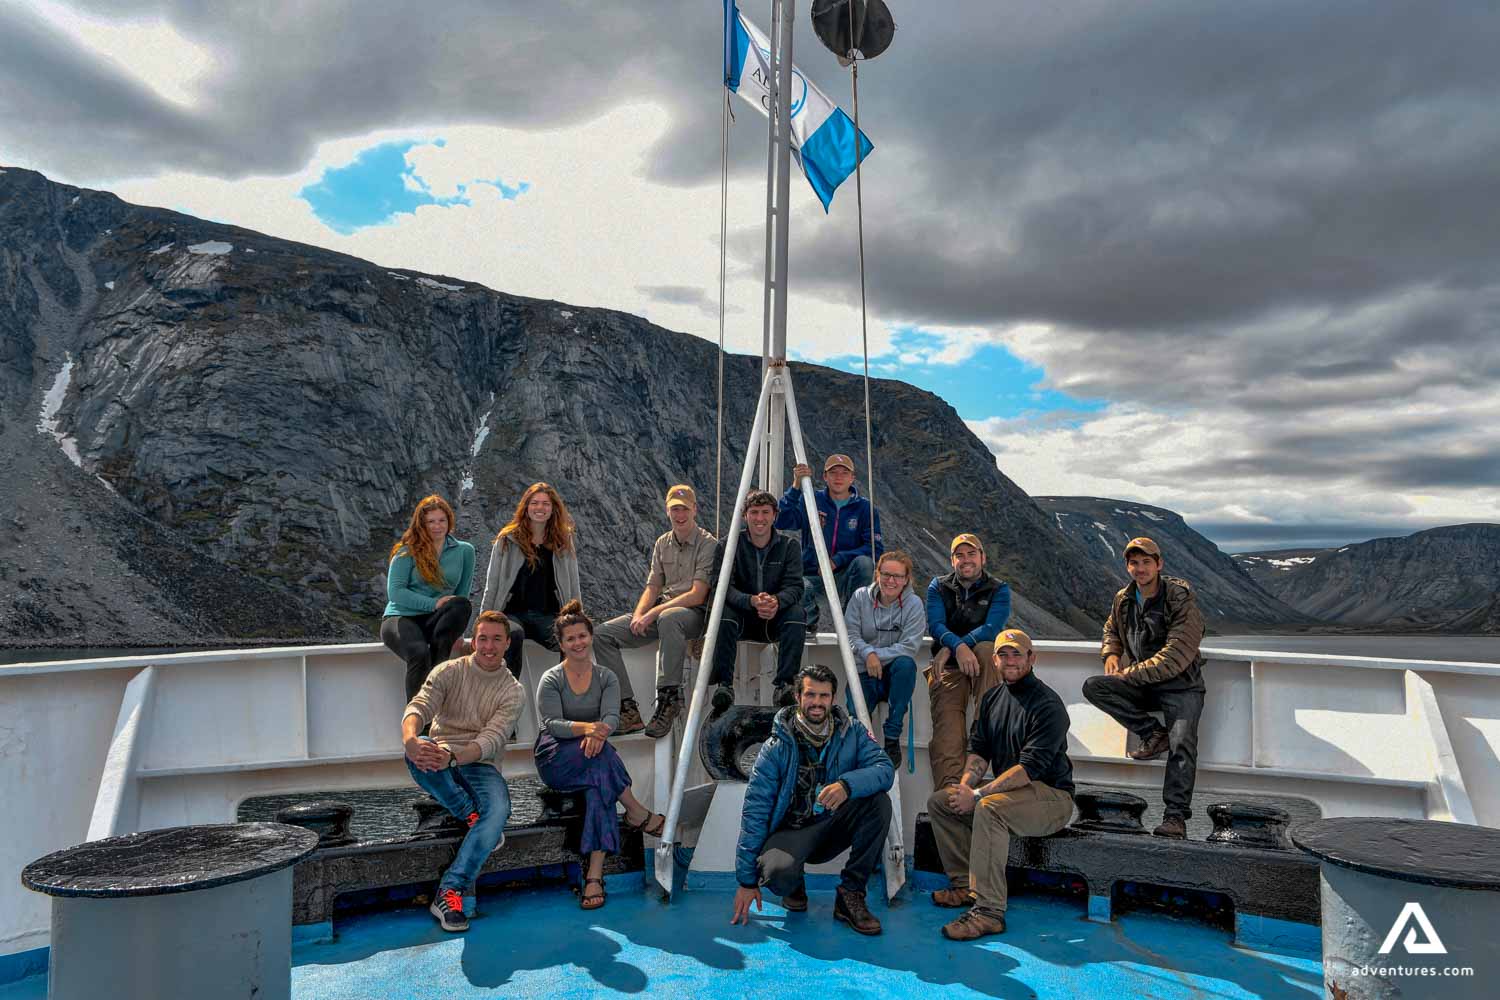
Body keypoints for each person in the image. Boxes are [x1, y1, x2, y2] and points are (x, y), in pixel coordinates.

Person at [926, 629, 1075, 941]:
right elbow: (979, 752)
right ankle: (964, 885)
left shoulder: (1048, 705)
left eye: (1017, 654)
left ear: (1031, 658)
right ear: (994, 660)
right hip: (1013, 793)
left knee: (989, 808)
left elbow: (1028, 770)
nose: (1010, 661)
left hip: (1051, 797)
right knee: (941, 802)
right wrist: (965, 787)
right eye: (1003, 655)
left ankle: (989, 911)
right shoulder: (992, 698)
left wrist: (978, 794)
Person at [730, 664, 895, 936]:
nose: (817, 703)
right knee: (776, 873)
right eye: (810, 695)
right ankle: (794, 883)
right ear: (798, 697)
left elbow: (885, 769)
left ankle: (851, 894)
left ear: (832, 698)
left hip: (832, 825)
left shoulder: (852, 732)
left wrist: (847, 785)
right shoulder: (775, 748)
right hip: (792, 833)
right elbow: (755, 812)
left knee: (879, 803)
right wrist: (746, 882)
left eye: (824, 695)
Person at [534, 600, 666, 909]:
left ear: (591, 637)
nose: (577, 643)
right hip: (555, 756)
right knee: (602, 757)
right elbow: (553, 724)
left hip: (593, 751)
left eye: (582, 636)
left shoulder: (606, 677)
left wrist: (600, 731)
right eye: (570, 639)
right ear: (562, 644)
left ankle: (594, 875)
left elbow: (612, 718)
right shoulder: (551, 679)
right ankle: (636, 811)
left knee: (599, 784)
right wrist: (591, 729)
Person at [400, 610, 524, 932]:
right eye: (483, 638)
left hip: (479, 763)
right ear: (473, 642)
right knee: (419, 749)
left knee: (499, 810)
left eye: (497, 639)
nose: (489, 646)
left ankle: (449, 891)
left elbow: (491, 740)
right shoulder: (449, 671)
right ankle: (469, 813)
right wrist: (410, 738)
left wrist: (453, 758)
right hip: (441, 753)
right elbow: (419, 706)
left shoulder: (512, 691)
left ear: (507, 644)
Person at [1082, 536, 1206, 840]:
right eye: (1134, 563)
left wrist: (1130, 674)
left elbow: (1176, 656)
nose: (1140, 568)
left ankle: (1175, 817)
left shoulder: (1179, 598)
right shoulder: (1123, 598)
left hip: (1181, 685)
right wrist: (1111, 653)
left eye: (1146, 562)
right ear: (1127, 566)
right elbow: (1112, 628)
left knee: (1182, 742)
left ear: (1159, 564)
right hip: (1144, 685)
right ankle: (1152, 732)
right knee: (1095, 687)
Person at [592, 485, 716, 739]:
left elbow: (697, 594)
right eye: (674, 509)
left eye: (684, 509)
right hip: (663, 613)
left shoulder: (708, 544)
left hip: (694, 615)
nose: (679, 515)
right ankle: (627, 710)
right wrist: (639, 614)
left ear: (694, 510)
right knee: (602, 634)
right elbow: (653, 587)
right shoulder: (662, 543)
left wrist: (653, 613)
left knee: (669, 618)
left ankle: (669, 699)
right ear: (667, 511)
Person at [925, 533, 1011, 789]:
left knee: (987, 649)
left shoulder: (999, 589)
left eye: (971, 554)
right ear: (952, 560)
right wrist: (958, 648)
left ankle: (984, 733)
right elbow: (935, 625)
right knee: (947, 731)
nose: (966, 560)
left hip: (980, 663)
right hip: (949, 668)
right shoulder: (938, 586)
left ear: (983, 557)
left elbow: (992, 628)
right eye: (959, 555)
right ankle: (949, 792)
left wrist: (954, 647)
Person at [708, 490, 806, 713]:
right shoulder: (728, 545)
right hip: (741, 618)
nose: (759, 518)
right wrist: (750, 601)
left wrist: (776, 602)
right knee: (722, 613)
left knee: (797, 614)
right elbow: (721, 587)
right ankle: (724, 685)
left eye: (765, 512)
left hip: (774, 619)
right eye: (754, 512)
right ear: (745, 515)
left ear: (775, 515)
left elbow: (795, 586)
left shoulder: (789, 546)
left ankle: (785, 685)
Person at [478, 482, 584, 683]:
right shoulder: (507, 539)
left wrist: (578, 617)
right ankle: (508, 693)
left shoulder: (563, 540)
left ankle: (566, 694)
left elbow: (573, 582)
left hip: (548, 615)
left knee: (571, 638)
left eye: (545, 503)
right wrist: (482, 623)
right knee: (513, 635)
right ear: (526, 507)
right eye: (534, 503)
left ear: (553, 509)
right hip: (512, 614)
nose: (540, 508)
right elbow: (493, 584)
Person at [382, 494, 476, 701]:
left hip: (436, 620)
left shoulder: (464, 551)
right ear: (421, 524)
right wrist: (433, 603)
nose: (437, 526)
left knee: (461, 604)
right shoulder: (407, 552)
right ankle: (417, 717)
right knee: (419, 653)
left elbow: (462, 591)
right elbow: (396, 592)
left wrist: (457, 631)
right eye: (430, 522)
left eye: (442, 520)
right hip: (402, 617)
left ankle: (437, 674)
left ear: (449, 521)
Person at [776, 454, 883, 635]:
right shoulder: (811, 500)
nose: (838, 477)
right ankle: (808, 623)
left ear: (852, 478)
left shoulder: (865, 508)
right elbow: (781, 521)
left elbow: (874, 549)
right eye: (833, 473)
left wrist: (838, 560)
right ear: (825, 476)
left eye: (844, 473)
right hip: (813, 575)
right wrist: (796, 487)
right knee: (798, 585)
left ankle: (852, 622)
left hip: (845, 576)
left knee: (865, 563)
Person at [844, 550, 925, 767]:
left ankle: (892, 736)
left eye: (897, 576)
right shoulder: (860, 597)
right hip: (864, 670)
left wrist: (876, 656)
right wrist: (867, 654)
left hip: (893, 676)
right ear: (877, 574)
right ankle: (862, 746)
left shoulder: (914, 604)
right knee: (856, 712)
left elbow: (909, 646)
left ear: (906, 580)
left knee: (906, 665)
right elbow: (850, 634)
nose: (891, 581)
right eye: (886, 574)